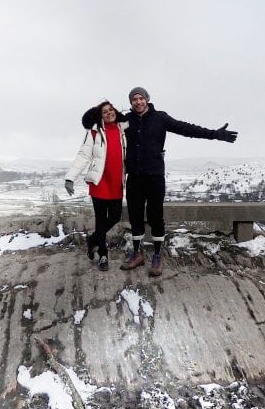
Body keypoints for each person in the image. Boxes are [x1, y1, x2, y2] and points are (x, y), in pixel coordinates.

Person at [82, 87, 237, 277]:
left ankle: (157, 255)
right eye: (134, 100)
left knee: (156, 217)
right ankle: (137, 254)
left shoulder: (160, 118)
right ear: (131, 103)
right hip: (134, 178)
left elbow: (186, 129)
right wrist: (97, 110)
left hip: (155, 176)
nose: (138, 102)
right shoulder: (126, 120)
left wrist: (214, 134)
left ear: (147, 99)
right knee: (136, 217)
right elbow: (96, 120)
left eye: (140, 98)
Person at [64, 100, 127, 272]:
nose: (109, 113)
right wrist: (70, 178)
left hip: (116, 183)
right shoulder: (94, 133)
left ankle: (92, 240)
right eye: (104, 112)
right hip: (99, 183)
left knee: (114, 217)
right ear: (100, 116)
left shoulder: (123, 130)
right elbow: (83, 156)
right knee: (101, 220)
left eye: (111, 109)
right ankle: (103, 254)